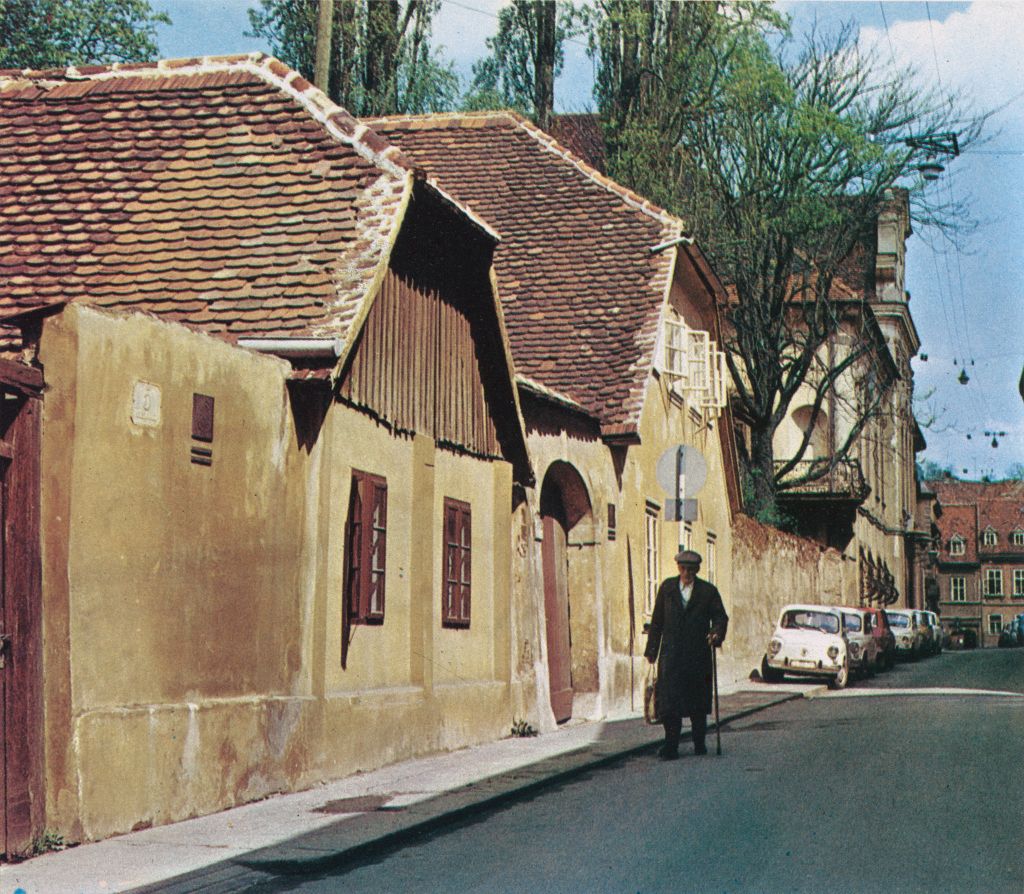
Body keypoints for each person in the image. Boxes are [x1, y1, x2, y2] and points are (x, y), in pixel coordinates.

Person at [644, 549, 728, 759]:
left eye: (691, 569)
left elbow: (720, 617)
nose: (687, 572)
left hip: (697, 655)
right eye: (683, 568)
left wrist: (716, 633)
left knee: (697, 703)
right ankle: (670, 746)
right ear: (678, 568)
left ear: (697, 570)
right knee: (670, 704)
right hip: (671, 656)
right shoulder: (667, 588)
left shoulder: (708, 591)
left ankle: (699, 742)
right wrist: (652, 650)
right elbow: (657, 621)